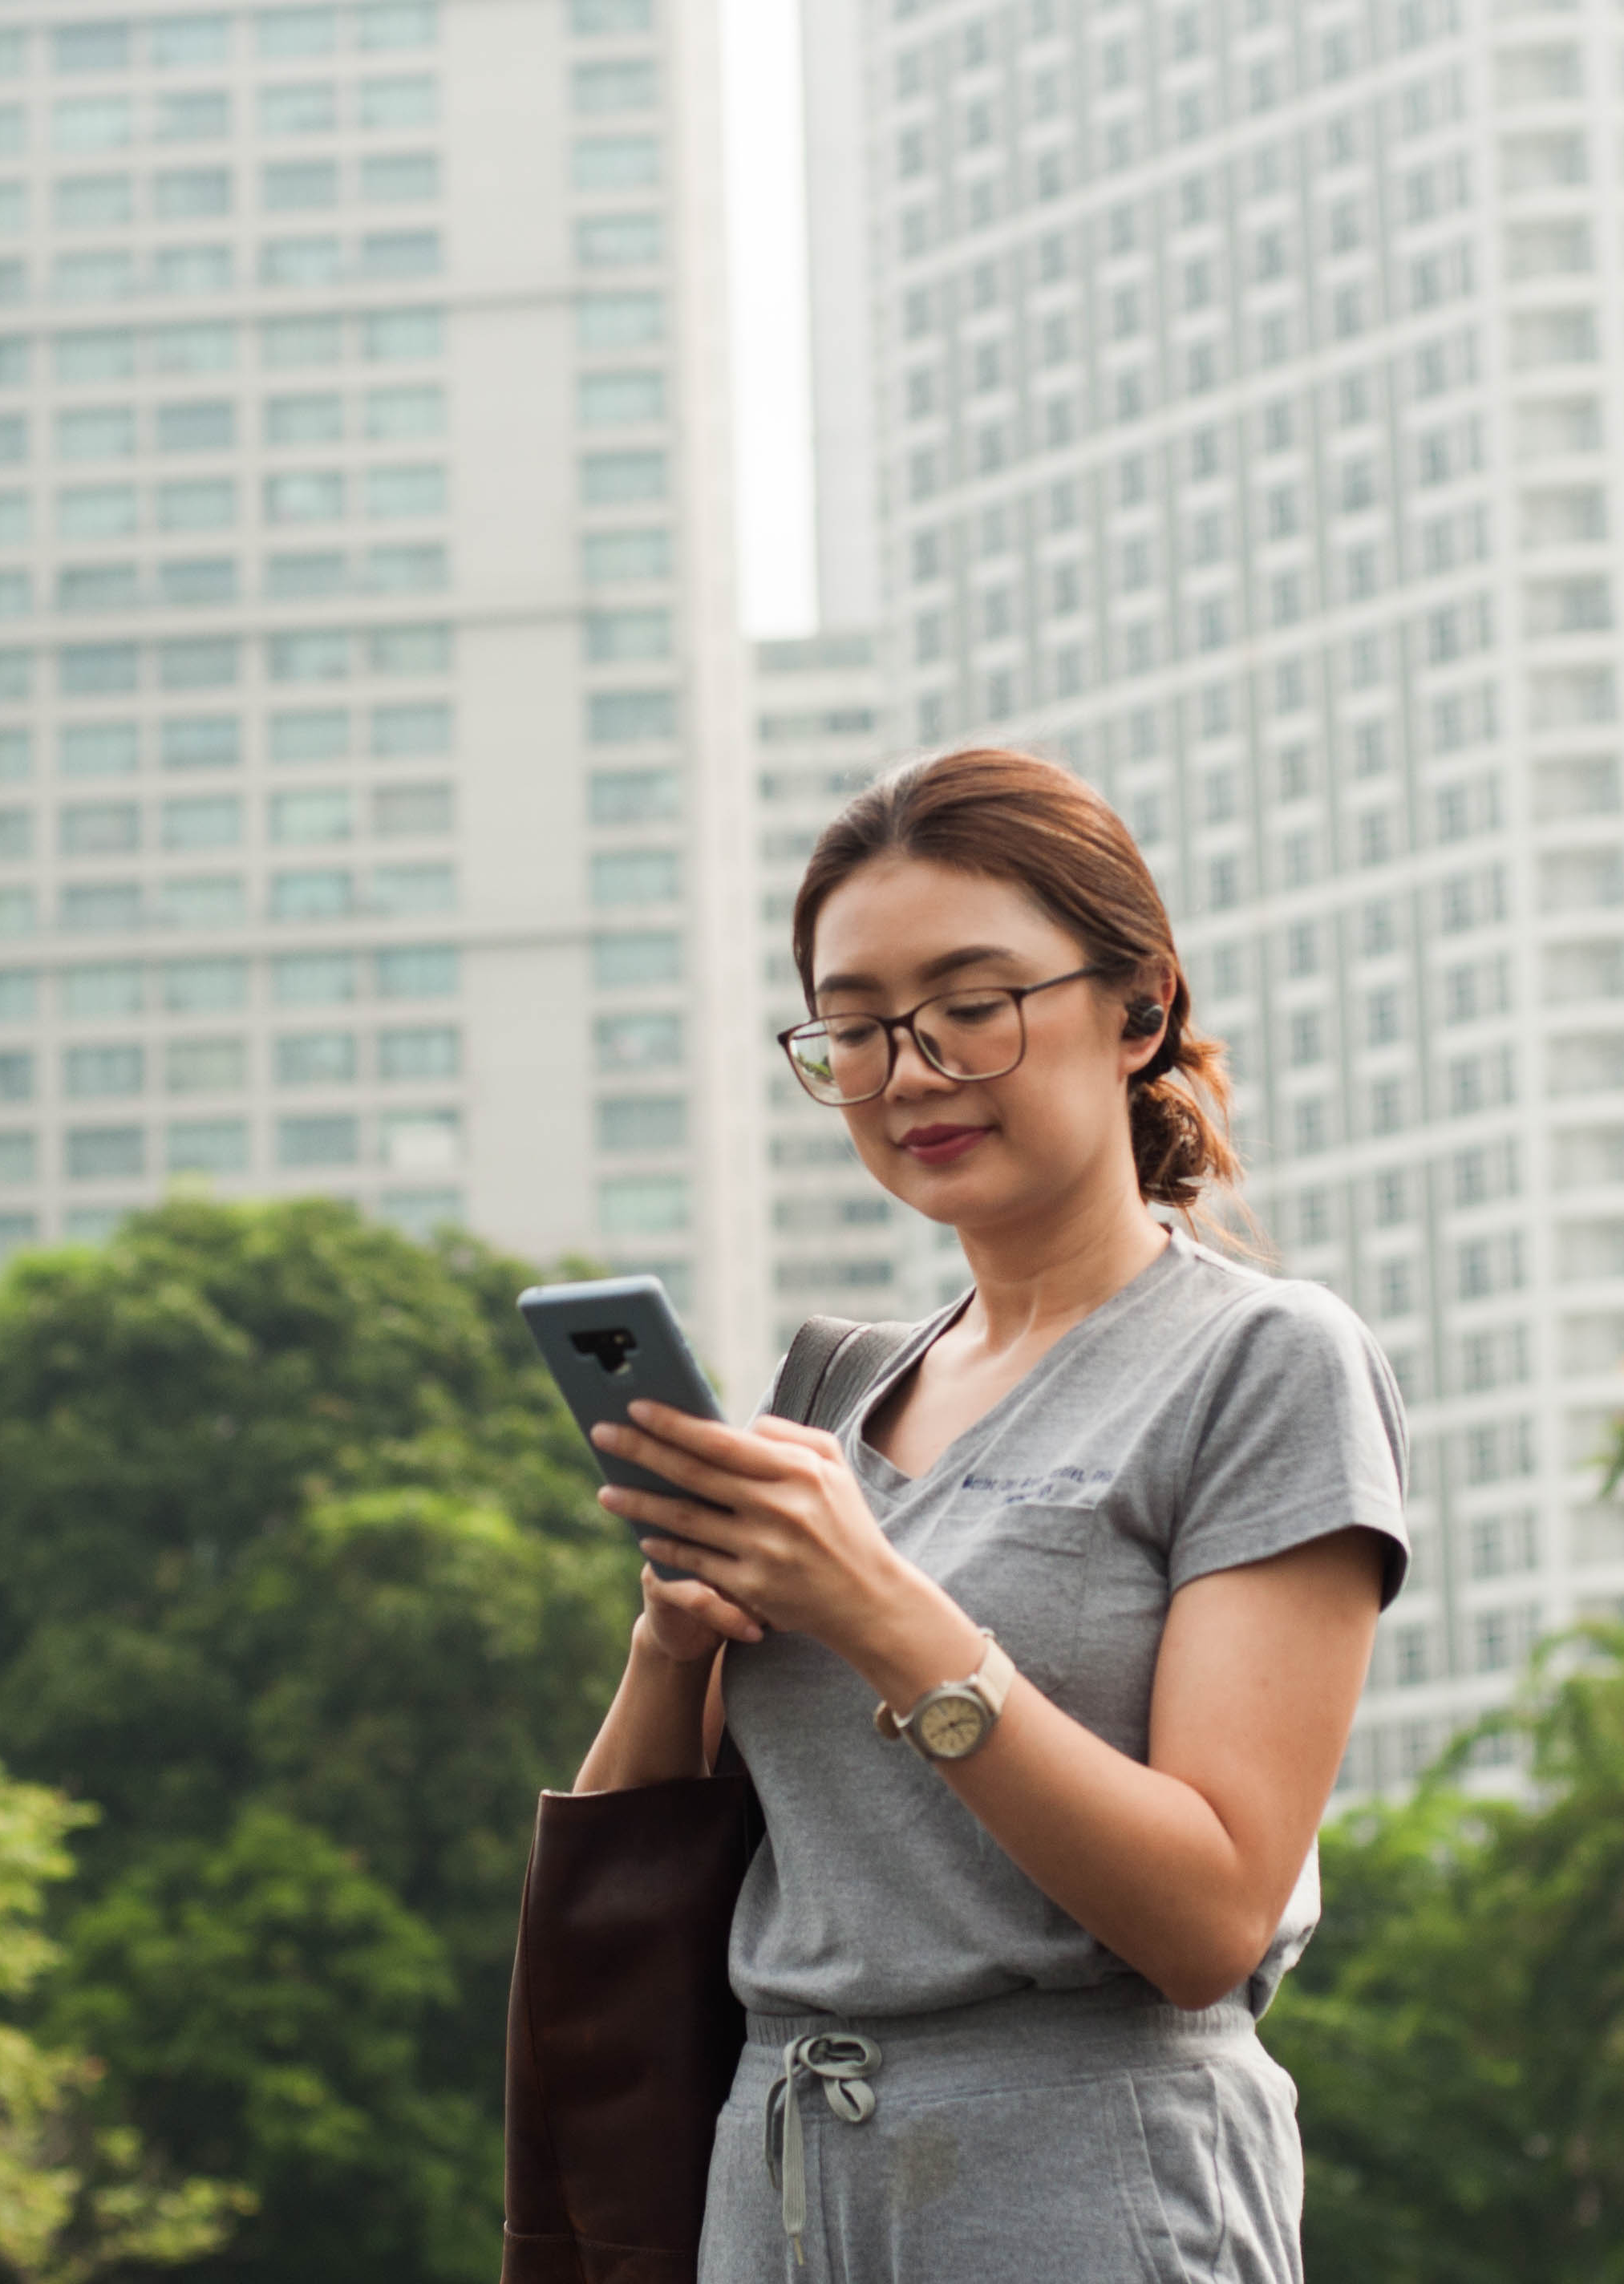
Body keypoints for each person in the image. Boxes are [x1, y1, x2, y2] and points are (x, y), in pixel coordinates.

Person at [571, 746, 1408, 2282]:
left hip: (1088, 2179)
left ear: (1137, 1007)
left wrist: (879, 1611)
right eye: (855, 1028)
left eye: (971, 1007)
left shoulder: (1262, 1363)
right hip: (776, 2189)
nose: (910, 1073)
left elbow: (1209, 1917)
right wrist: (673, 1642)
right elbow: (636, 1877)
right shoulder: (825, 1395)